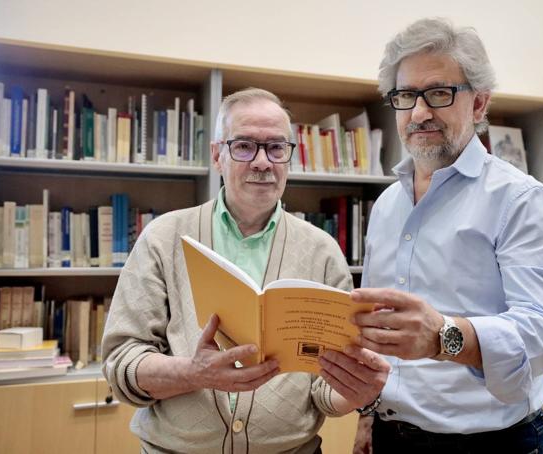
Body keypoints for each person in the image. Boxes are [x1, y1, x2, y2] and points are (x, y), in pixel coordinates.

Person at [102, 87, 389, 454]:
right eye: (244, 146)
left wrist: (353, 392)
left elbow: (322, 390)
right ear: (217, 155)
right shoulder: (164, 238)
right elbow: (121, 361)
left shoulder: (322, 251)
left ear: (289, 158)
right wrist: (194, 373)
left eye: (275, 148)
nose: (262, 162)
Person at [351, 18, 543, 453]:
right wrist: (367, 415)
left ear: (478, 103)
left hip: (493, 442)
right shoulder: (386, 207)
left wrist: (442, 337)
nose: (418, 113)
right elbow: (380, 330)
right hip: (390, 435)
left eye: (438, 93)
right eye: (405, 96)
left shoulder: (519, 199)